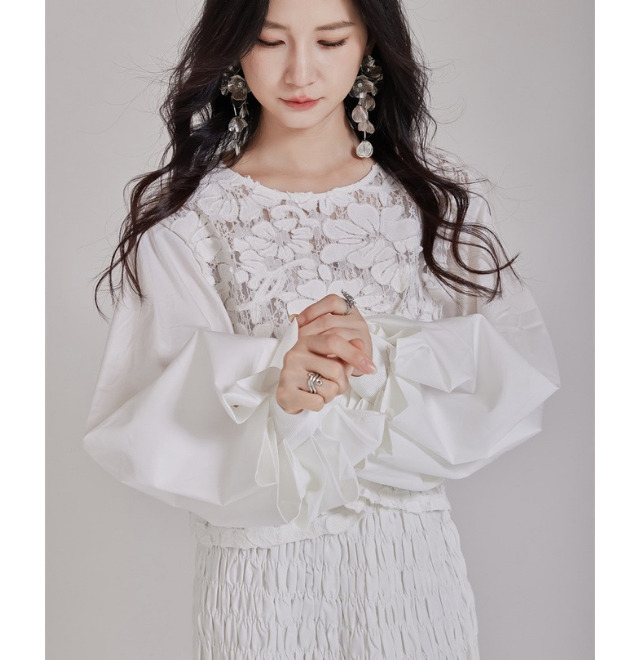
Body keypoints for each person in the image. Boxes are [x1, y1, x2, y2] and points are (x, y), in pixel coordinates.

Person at [84, 0, 560, 657]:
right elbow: (156, 419)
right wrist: (277, 385)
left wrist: (384, 354)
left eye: (330, 41)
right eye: (270, 40)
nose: (300, 72)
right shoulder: (190, 223)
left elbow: (514, 374)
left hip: (410, 573)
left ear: (369, 46)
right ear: (235, 47)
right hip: (263, 575)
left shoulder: (430, 205)